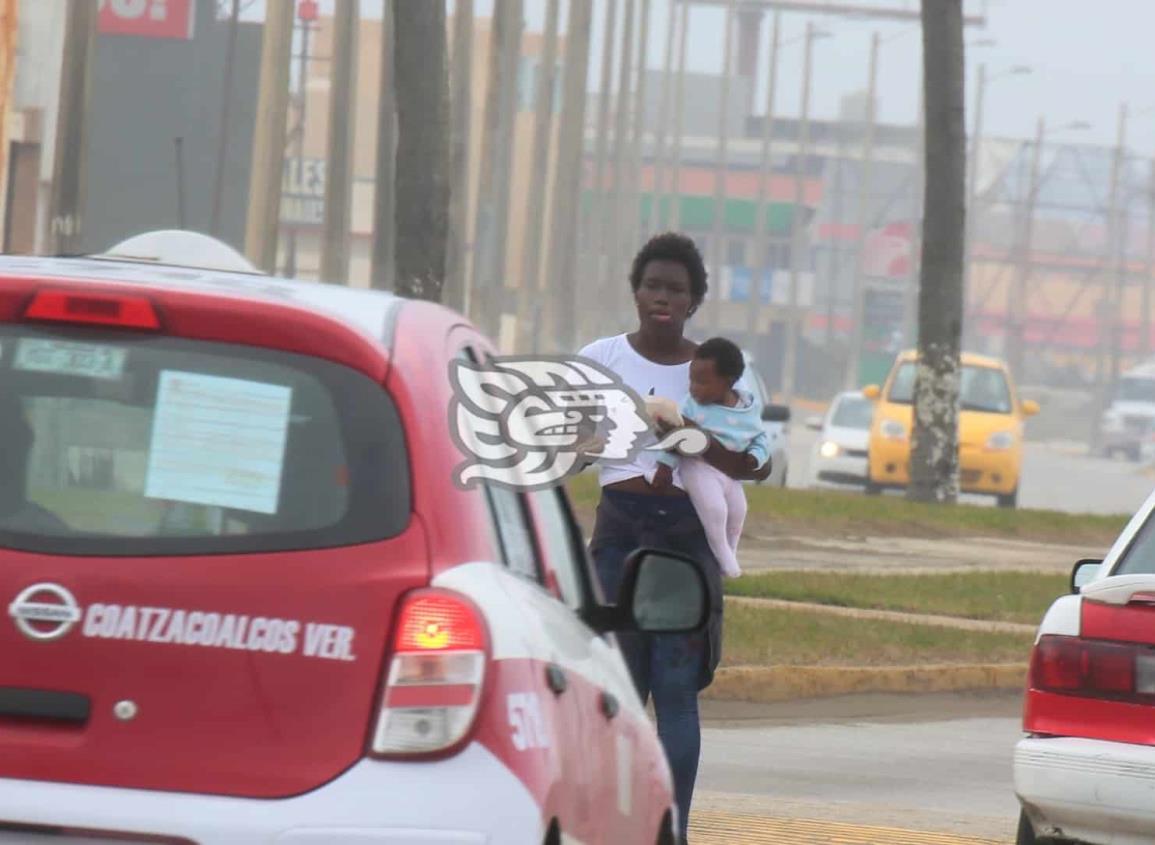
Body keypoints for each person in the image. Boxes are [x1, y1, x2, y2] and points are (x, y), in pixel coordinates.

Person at [577, 233, 772, 842]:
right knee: (620, 693)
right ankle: (614, 825)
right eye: (653, 285)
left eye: (677, 290)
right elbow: (570, 450)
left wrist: (698, 442)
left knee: (676, 692)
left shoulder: (724, 369)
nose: (663, 297)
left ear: (695, 302)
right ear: (635, 292)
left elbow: (757, 462)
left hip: (687, 543)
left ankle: (673, 830)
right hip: (619, 535)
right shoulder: (600, 358)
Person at [648, 337, 769, 579]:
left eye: (702, 382)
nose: (693, 388)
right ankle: (723, 554)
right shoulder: (691, 405)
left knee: (739, 510)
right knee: (715, 509)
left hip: (729, 473)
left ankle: (730, 551)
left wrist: (756, 457)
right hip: (697, 467)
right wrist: (664, 467)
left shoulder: (748, 407)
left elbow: (760, 437)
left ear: (730, 382)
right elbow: (677, 436)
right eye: (692, 380)